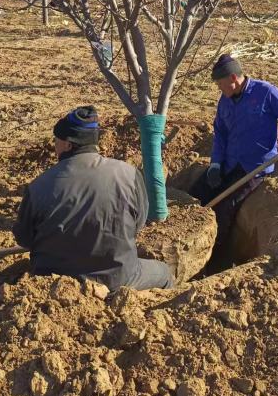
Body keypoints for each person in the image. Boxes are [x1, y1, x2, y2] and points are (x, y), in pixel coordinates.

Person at [12, 105, 174, 291]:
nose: (55, 145)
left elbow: (24, 239)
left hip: (55, 283)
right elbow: (138, 224)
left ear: (68, 144)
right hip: (119, 279)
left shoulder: (38, 187)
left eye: (56, 140)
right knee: (164, 273)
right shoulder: (129, 175)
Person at [191, 54, 278, 247]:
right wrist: (216, 164)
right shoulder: (225, 100)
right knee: (198, 192)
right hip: (229, 162)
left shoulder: (266, 93)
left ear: (233, 78)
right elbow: (220, 133)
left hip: (254, 167)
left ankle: (215, 254)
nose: (219, 88)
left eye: (220, 84)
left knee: (225, 208)